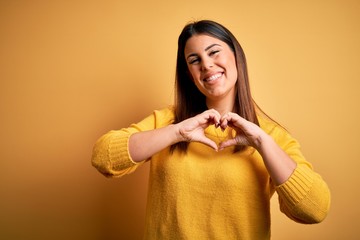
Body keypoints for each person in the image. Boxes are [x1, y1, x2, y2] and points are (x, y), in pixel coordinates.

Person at [92, 20, 331, 239]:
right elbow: (103, 157)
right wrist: (177, 132)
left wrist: (261, 142)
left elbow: (315, 209)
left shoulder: (271, 136)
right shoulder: (168, 122)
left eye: (214, 52)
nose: (206, 65)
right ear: (189, 74)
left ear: (237, 57)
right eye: (194, 60)